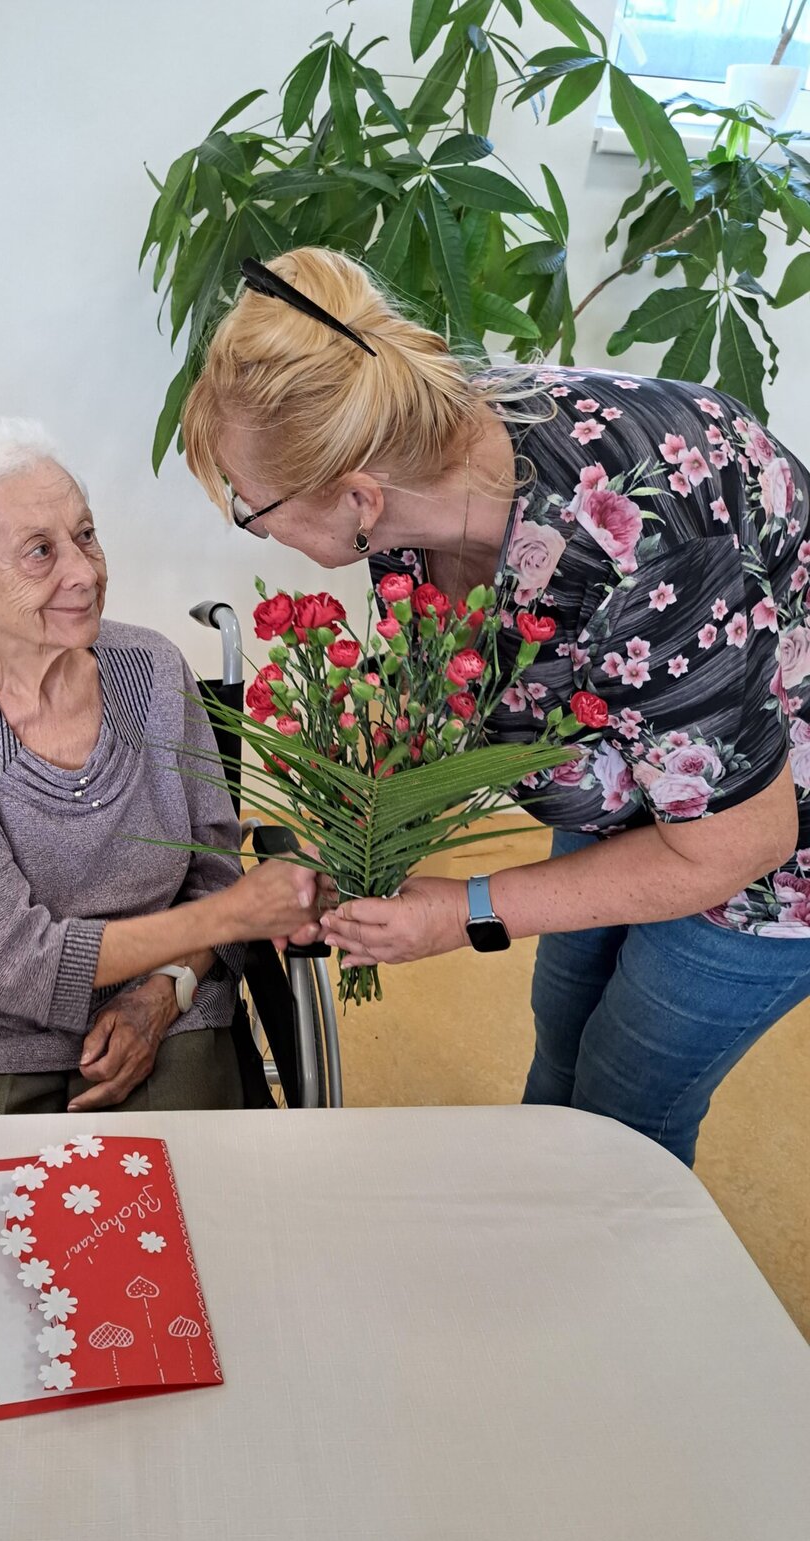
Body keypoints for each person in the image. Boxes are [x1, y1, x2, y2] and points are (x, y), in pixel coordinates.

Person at [182, 245, 810, 1166]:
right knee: (563, 1031)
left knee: (623, 1098)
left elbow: (740, 843)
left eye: (251, 505)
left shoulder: (643, 548)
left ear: (357, 497)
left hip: (768, 844)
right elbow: (457, 687)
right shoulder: (410, 457)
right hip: (637, 780)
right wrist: (354, 842)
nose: (252, 523)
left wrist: (467, 911)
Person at [0, 417, 318, 1116]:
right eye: (39, 552)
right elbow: (3, 958)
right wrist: (231, 917)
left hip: (165, 1001)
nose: (85, 572)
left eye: (85, 535)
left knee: (194, 1174)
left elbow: (212, 872)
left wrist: (167, 991)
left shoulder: (155, 670)